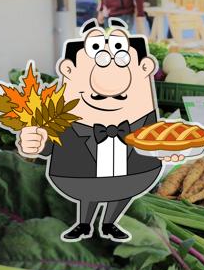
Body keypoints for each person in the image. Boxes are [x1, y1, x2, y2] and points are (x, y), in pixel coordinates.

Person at [14, 19, 185, 242]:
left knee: (120, 193)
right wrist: (35, 142)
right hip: (77, 176)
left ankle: (110, 222)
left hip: (132, 175)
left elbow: (155, 142)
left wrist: (167, 152)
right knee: (89, 193)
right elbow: (50, 144)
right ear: (68, 70)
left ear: (145, 69)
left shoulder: (143, 118)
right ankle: (83, 224)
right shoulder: (65, 117)